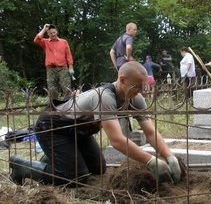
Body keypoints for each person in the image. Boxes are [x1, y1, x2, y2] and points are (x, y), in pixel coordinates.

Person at [9, 61, 181, 187]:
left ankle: (54, 157)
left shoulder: (135, 98)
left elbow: (150, 132)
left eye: (143, 86)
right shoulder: (105, 97)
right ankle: (21, 167)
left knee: (98, 168)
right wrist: (151, 161)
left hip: (78, 131)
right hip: (54, 127)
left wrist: (169, 156)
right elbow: (117, 141)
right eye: (137, 86)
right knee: (73, 177)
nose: (141, 91)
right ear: (122, 79)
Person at [34, 24, 75, 99]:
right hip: (50, 69)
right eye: (50, 33)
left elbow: (68, 54)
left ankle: (68, 105)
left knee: (66, 87)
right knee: (52, 89)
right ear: (48, 34)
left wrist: (71, 67)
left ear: (57, 32)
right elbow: (36, 39)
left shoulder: (64, 42)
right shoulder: (45, 42)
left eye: (54, 32)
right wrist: (44, 29)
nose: (53, 34)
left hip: (63, 68)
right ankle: (54, 106)